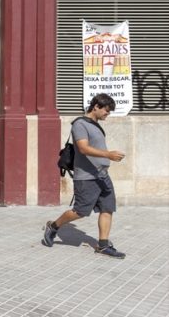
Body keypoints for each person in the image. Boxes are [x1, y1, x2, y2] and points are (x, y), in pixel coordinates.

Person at [42, 92, 126, 258]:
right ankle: (54, 226)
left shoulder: (95, 125)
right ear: (96, 106)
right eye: (106, 110)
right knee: (80, 212)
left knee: (107, 208)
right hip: (87, 177)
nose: (108, 114)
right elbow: (83, 148)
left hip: (102, 175)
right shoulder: (80, 124)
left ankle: (103, 245)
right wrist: (108, 155)